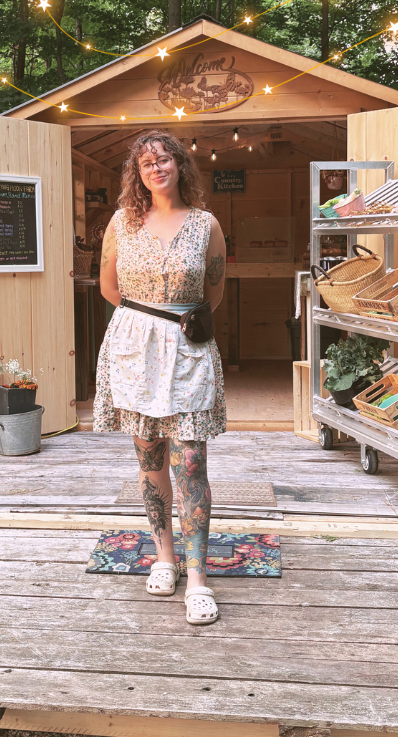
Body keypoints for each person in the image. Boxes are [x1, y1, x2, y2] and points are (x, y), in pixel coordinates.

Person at [93, 130, 227, 625]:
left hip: (188, 346)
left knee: (190, 462)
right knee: (150, 459)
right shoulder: (121, 223)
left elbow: (213, 292)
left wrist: (174, 324)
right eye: (147, 162)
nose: (157, 168)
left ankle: (197, 578)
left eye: (165, 159)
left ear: (180, 167)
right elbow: (110, 288)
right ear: (137, 173)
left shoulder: (205, 224)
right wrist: (145, 325)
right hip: (134, 347)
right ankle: (164, 557)